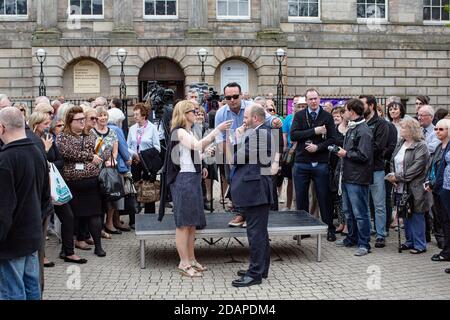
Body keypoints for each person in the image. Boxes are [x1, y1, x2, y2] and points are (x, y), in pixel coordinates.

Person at [166, 100, 232, 277]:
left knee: (192, 223)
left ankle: (192, 259)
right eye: (193, 111)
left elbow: (192, 153)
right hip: (183, 180)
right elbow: (195, 146)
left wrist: (203, 157)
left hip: (192, 178)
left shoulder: (188, 131)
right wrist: (217, 131)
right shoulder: (179, 131)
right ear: (185, 113)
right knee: (183, 224)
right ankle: (183, 262)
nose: (196, 113)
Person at [0, 107, 51, 300]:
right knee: (31, 288)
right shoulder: (38, 150)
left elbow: (3, 209)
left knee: (13, 292)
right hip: (32, 233)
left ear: (1, 128)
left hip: (12, 240)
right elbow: (46, 195)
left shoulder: (5, 160)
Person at [215, 82, 281, 227]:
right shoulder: (221, 113)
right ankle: (240, 213)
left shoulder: (251, 106)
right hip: (232, 148)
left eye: (235, 96)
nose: (232, 100)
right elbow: (220, 138)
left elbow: (267, 118)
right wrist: (228, 159)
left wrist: (276, 121)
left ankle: (250, 215)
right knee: (233, 180)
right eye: (228, 97)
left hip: (253, 148)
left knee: (251, 180)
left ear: (241, 95)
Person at [28, 112, 87, 264]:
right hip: (42, 187)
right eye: (46, 123)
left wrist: (51, 161)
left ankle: (68, 252)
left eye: (49, 123)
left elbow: (60, 160)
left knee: (68, 217)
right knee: (42, 222)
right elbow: (36, 162)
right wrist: (45, 151)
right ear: (36, 124)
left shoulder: (49, 138)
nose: (49, 126)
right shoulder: (31, 139)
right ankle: (41, 256)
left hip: (55, 184)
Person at [231, 104, 274, 287]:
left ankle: (255, 274)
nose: (244, 120)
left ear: (255, 118)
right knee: (260, 233)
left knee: (255, 234)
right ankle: (261, 269)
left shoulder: (259, 134)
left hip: (256, 190)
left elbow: (236, 158)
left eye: (246, 117)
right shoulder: (260, 132)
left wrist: (239, 138)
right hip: (256, 189)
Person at [57, 106, 106, 257]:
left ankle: (98, 247)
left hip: (91, 181)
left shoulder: (90, 134)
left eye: (83, 119)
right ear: (70, 121)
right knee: (73, 217)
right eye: (79, 120)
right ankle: (68, 249)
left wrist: (97, 157)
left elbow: (102, 150)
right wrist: (90, 157)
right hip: (73, 182)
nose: (82, 122)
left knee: (94, 214)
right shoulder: (63, 136)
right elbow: (68, 152)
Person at [290, 88, 337, 242]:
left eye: (315, 98)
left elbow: (332, 139)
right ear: (306, 100)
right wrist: (314, 131)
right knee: (301, 197)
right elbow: (294, 135)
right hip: (302, 162)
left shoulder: (327, 116)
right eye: (310, 99)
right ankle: (303, 230)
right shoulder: (299, 115)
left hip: (320, 162)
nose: (313, 101)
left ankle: (329, 228)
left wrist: (318, 147)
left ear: (319, 99)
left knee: (324, 196)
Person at [386, 118, 431, 254]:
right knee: (405, 214)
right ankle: (409, 241)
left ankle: (420, 245)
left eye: (403, 128)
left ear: (411, 130)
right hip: (400, 186)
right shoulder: (401, 143)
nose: (401, 130)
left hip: (415, 187)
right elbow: (393, 160)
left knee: (417, 215)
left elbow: (416, 168)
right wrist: (392, 175)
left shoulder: (421, 146)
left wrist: (398, 177)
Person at [335, 99, 374, 256]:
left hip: (358, 178)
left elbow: (364, 155)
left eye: (346, 110)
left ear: (352, 111)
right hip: (348, 175)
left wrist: (346, 153)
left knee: (360, 212)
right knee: (349, 211)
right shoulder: (353, 127)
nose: (344, 113)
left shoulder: (363, 130)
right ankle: (351, 238)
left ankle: (364, 244)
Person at [360, 95, 389, 248]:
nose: (360, 107)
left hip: (376, 169)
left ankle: (380, 234)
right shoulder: (360, 122)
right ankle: (366, 232)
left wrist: (360, 151)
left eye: (363, 104)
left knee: (379, 204)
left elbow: (379, 146)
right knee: (363, 204)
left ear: (371, 106)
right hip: (361, 170)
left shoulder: (381, 124)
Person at [127, 103, 161, 214]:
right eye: (134, 114)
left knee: (148, 189)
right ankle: (134, 215)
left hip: (148, 163)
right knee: (135, 188)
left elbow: (157, 148)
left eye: (137, 114)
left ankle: (149, 215)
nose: (134, 116)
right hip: (135, 162)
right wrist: (134, 155)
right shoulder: (132, 129)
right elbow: (128, 146)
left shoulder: (152, 128)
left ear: (144, 115)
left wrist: (142, 154)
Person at [92, 107, 120, 235]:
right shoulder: (92, 133)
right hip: (96, 169)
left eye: (105, 115)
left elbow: (115, 152)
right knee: (98, 198)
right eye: (100, 115)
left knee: (111, 197)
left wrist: (112, 161)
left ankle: (109, 223)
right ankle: (99, 227)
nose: (103, 118)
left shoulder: (113, 132)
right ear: (96, 118)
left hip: (109, 169)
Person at [427, 119, 450, 257]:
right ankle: (447, 251)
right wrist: (430, 182)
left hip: (445, 188)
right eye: (436, 129)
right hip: (437, 188)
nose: (437, 132)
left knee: (447, 221)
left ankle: (447, 251)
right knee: (442, 220)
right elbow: (434, 167)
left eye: (441, 129)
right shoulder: (438, 146)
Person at [108, 107, 133, 230]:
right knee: (117, 194)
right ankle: (114, 221)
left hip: (111, 163)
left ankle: (115, 221)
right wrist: (129, 160)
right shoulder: (116, 129)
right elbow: (123, 146)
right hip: (118, 165)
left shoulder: (108, 128)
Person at [281, 96, 307, 211]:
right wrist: (285, 149)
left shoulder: (308, 117)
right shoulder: (289, 118)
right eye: (297, 105)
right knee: (290, 180)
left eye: (302, 105)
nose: (300, 107)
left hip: (304, 151)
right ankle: (288, 205)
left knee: (301, 181)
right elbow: (285, 135)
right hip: (292, 152)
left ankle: (299, 207)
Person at [330, 106, 348, 235]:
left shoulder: (351, 129)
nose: (338, 116)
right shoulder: (334, 129)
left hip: (346, 164)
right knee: (338, 195)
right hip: (334, 165)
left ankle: (347, 224)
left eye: (340, 113)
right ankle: (341, 222)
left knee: (346, 196)